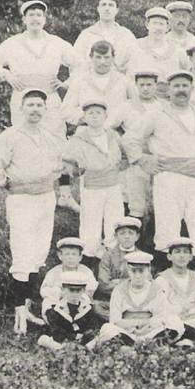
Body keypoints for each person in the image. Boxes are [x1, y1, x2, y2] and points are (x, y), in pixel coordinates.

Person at [122, 70, 195, 301]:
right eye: (176, 86)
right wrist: (143, 159)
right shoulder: (156, 114)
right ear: (168, 90)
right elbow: (130, 139)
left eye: (185, 85)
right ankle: (164, 286)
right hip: (168, 179)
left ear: (191, 89)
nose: (181, 90)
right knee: (167, 228)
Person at [0, 88, 67, 334]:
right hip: (21, 200)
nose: (35, 109)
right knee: (22, 254)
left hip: (45, 197)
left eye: (39, 105)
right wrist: (6, 182)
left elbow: (61, 163)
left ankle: (29, 310)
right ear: (21, 109)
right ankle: (18, 314)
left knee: (38, 253)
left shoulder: (50, 136)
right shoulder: (10, 136)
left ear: (45, 109)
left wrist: (49, 179)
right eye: (30, 105)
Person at [0, 0, 78, 137]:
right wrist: (6, 75)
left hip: (50, 98)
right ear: (24, 19)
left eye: (39, 15)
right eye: (31, 15)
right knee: (22, 138)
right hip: (22, 98)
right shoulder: (13, 43)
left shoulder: (56, 43)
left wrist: (67, 84)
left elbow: (81, 65)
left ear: (44, 19)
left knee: (55, 137)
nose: (35, 19)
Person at [62, 99, 124, 270]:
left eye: (98, 112)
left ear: (105, 116)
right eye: (90, 113)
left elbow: (124, 156)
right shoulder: (78, 139)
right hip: (91, 186)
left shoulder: (113, 135)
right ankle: (89, 266)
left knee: (114, 222)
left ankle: (113, 265)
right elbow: (66, 166)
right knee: (90, 225)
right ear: (84, 117)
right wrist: (65, 190)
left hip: (113, 186)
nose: (95, 116)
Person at [96, 250, 183, 346]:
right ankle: (133, 345)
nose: (137, 276)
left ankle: (152, 344)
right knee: (107, 329)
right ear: (128, 270)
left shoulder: (156, 289)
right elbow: (115, 320)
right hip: (127, 332)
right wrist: (135, 327)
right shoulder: (119, 290)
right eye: (133, 271)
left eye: (141, 271)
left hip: (151, 332)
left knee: (175, 322)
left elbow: (160, 317)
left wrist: (146, 328)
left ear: (148, 270)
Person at [111, 67, 163, 226]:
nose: (146, 89)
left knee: (159, 198)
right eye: (142, 85)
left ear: (156, 85)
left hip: (158, 157)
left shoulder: (163, 106)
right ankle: (135, 239)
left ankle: (156, 239)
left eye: (149, 84)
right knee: (136, 199)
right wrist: (121, 148)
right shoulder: (127, 106)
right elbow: (109, 127)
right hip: (135, 156)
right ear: (136, 86)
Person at [61, 40, 134, 130]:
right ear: (91, 57)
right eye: (98, 57)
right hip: (87, 131)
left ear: (113, 58)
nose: (102, 62)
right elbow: (66, 110)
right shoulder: (80, 80)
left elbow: (135, 108)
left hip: (116, 132)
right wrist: (87, 116)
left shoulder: (123, 80)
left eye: (106, 57)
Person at [127, 7, 191, 98]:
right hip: (140, 100)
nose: (158, 28)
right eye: (154, 23)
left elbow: (186, 74)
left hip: (169, 101)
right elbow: (121, 71)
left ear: (168, 27)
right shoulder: (134, 46)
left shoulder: (178, 50)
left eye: (161, 24)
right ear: (147, 25)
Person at [72, 0, 138, 76]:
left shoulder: (126, 35)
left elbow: (135, 62)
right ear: (98, 8)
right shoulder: (86, 34)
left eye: (111, 5)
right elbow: (76, 62)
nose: (107, 8)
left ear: (117, 10)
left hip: (119, 84)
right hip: (90, 83)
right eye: (103, 5)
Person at [36, 270, 102, 351]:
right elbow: (57, 331)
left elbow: (92, 327)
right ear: (63, 289)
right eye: (71, 290)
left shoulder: (88, 309)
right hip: (62, 341)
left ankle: (83, 350)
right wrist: (73, 337)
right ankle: (64, 350)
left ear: (84, 290)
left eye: (78, 290)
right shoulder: (55, 310)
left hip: (83, 341)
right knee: (45, 339)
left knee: (98, 338)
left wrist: (85, 336)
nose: (75, 294)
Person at [93, 216, 144, 319]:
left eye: (131, 233)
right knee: (96, 307)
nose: (127, 237)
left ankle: (125, 318)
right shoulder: (108, 255)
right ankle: (126, 318)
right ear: (116, 236)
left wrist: (118, 282)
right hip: (111, 299)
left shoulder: (142, 256)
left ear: (137, 236)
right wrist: (130, 282)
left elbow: (146, 282)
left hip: (135, 299)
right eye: (122, 233)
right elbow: (103, 283)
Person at [39, 237, 99, 310]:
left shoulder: (85, 271)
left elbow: (92, 286)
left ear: (80, 257)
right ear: (60, 256)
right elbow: (44, 290)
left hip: (78, 302)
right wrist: (58, 291)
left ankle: (80, 319)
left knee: (86, 300)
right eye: (67, 254)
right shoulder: (54, 272)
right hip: (59, 303)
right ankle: (53, 318)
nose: (70, 258)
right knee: (47, 301)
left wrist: (77, 293)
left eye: (74, 254)